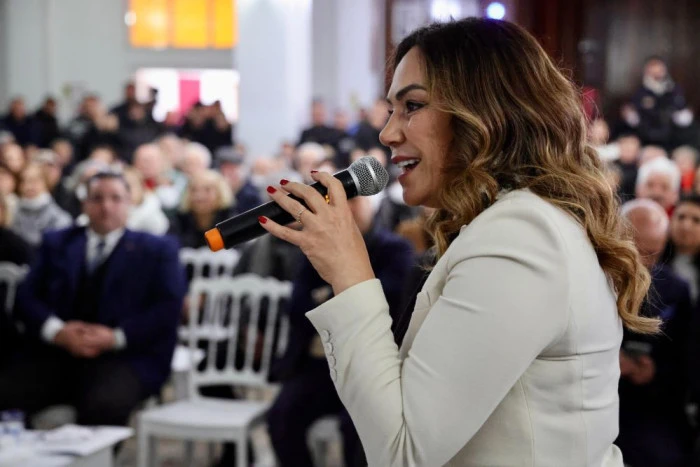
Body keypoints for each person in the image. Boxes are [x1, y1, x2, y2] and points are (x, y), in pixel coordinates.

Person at [256, 18, 658, 466]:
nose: (388, 133)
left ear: (485, 113)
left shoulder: (522, 236)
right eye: (391, 110)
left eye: (412, 106)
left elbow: (403, 452)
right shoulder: (514, 222)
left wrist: (349, 271)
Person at [0, 171, 186, 426]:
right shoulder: (57, 243)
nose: (106, 207)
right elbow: (27, 297)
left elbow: (168, 308)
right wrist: (57, 331)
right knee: (7, 391)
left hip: (126, 357)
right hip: (58, 352)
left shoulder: (157, 249)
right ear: (85, 203)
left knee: (104, 405)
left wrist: (114, 337)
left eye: (115, 198)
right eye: (97, 198)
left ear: (129, 203)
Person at [267, 191, 414, 467]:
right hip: (320, 364)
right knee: (281, 417)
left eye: (353, 200)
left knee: (360, 431)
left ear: (369, 204)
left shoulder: (395, 248)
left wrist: (327, 296)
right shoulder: (316, 249)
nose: (345, 208)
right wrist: (348, 296)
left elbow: (391, 300)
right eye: (337, 202)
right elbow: (298, 306)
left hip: (370, 366)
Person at [616, 199, 694, 467]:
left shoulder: (675, 288)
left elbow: (684, 358)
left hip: (651, 403)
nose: (644, 263)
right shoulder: (593, 278)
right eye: (637, 251)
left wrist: (654, 372)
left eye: (653, 253)